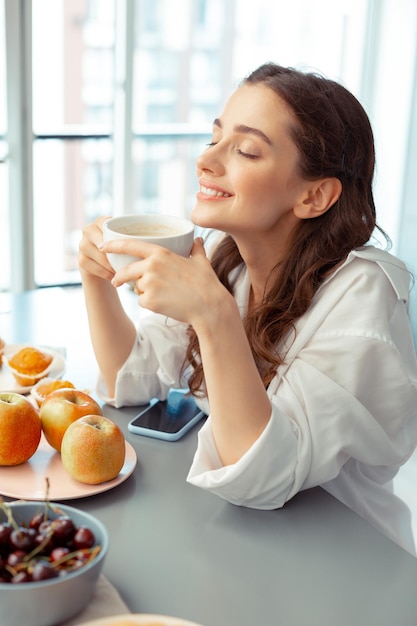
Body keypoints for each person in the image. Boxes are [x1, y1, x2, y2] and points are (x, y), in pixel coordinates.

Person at [78, 62, 417, 554]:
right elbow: (129, 379)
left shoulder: (362, 291)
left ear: (314, 195)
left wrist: (213, 317)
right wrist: (97, 277)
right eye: (214, 137)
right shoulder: (229, 265)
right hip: (248, 545)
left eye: (246, 150)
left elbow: (263, 475)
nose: (207, 160)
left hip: (347, 558)